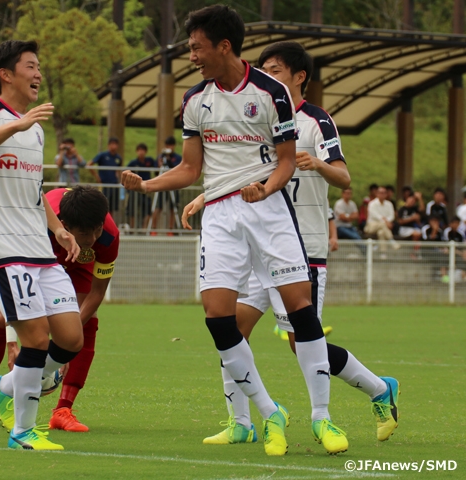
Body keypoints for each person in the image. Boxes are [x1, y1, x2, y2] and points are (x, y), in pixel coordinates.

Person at [122, 6, 346, 456]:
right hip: (221, 216)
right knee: (217, 316)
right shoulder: (194, 99)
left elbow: (285, 162)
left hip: (268, 210)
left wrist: (266, 189)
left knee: (301, 311)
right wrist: (147, 184)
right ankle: (269, 412)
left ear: (223, 46)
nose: (192, 56)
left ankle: (322, 417)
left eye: (196, 47)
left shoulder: (271, 92)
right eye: (190, 48)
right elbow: (189, 168)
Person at [183, 40, 398, 449]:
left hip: (301, 246)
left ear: (299, 77)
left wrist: (316, 163)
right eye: (264, 68)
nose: (267, 75)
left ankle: (377, 388)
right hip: (250, 240)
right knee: (232, 329)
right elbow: (228, 170)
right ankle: (240, 421)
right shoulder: (253, 112)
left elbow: (344, 178)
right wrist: (206, 196)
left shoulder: (316, 122)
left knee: (301, 340)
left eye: (276, 69)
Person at [0, 39, 84, 451]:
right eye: (31, 66)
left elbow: (35, 188)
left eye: (39, 66)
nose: (38, 74)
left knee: (70, 338)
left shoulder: (36, 130)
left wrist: (59, 229)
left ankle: (3, 387)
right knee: (34, 339)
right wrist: (16, 123)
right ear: (6, 74)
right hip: (3, 249)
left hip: (39, 249)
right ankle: (24, 433)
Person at [0, 185, 119, 433]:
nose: (94, 239)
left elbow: (97, 293)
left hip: (77, 267)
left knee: (87, 321)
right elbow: (13, 287)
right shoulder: (34, 222)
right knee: (2, 318)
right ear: (64, 226)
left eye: (98, 230)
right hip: (35, 254)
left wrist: (62, 348)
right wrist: (13, 342)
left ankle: (63, 409)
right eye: (87, 233)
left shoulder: (108, 235)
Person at [151, 136, 183, 234]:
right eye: (167, 145)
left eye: (171, 145)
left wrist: (169, 161)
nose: (169, 147)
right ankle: (153, 229)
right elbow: (156, 173)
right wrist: (160, 164)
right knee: (158, 207)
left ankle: (171, 229)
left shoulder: (177, 158)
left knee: (173, 208)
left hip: (173, 185)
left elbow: (177, 169)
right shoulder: (161, 157)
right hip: (163, 185)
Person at [90, 138, 123, 220]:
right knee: (103, 206)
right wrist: (97, 177)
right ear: (108, 145)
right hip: (105, 185)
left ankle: (110, 225)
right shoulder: (102, 155)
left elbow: (118, 170)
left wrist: (119, 178)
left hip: (114, 185)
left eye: (115, 144)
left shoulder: (118, 158)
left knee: (112, 207)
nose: (114, 146)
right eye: (112, 144)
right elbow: (90, 164)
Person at [125, 143, 156, 230]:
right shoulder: (133, 163)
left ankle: (144, 229)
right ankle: (132, 228)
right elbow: (125, 172)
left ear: (145, 152)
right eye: (139, 150)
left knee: (147, 210)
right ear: (137, 151)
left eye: (143, 150)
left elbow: (157, 167)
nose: (141, 152)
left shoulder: (149, 161)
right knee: (131, 210)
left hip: (146, 190)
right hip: (134, 190)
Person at [364, 186, 400, 252]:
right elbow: (376, 216)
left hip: (384, 227)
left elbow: (391, 216)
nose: (382, 194)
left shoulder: (389, 204)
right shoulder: (372, 204)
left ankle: (383, 254)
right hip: (371, 226)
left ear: (386, 194)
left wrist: (387, 221)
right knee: (383, 224)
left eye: (384, 193)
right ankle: (391, 240)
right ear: (377, 194)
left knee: (381, 233)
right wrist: (386, 222)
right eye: (380, 193)